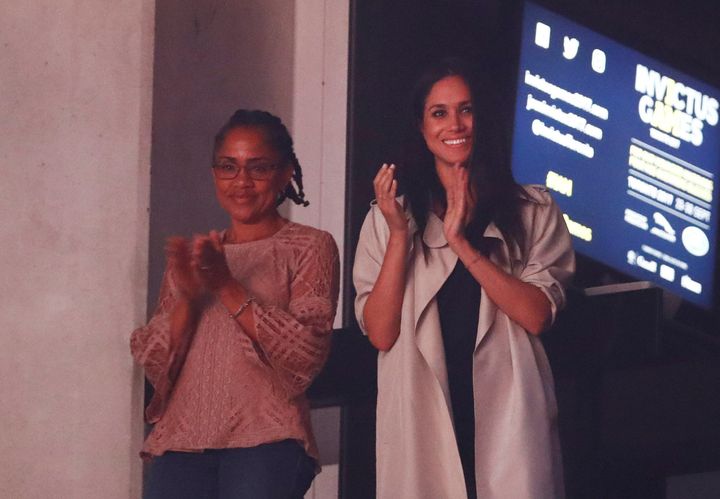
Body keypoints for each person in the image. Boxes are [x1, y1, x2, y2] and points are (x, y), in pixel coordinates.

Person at [353, 57, 575, 499]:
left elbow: (537, 315)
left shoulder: (533, 209)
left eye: (466, 109)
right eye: (439, 112)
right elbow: (380, 332)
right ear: (421, 126)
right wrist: (400, 234)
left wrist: (462, 244)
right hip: (423, 411)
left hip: (508, 412)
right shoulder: (388, 217)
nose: (455, 123)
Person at [131, 109, 339, 499]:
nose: (241, 181)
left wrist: (226, 285)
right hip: (182, 442)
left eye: (258, 168)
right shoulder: (194, 258)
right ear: (214, 174)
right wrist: (188, 301)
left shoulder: (311, 246)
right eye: (228, 166)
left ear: (286, 173)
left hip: (268, 441)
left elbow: (305, 356)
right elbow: (156, 363)